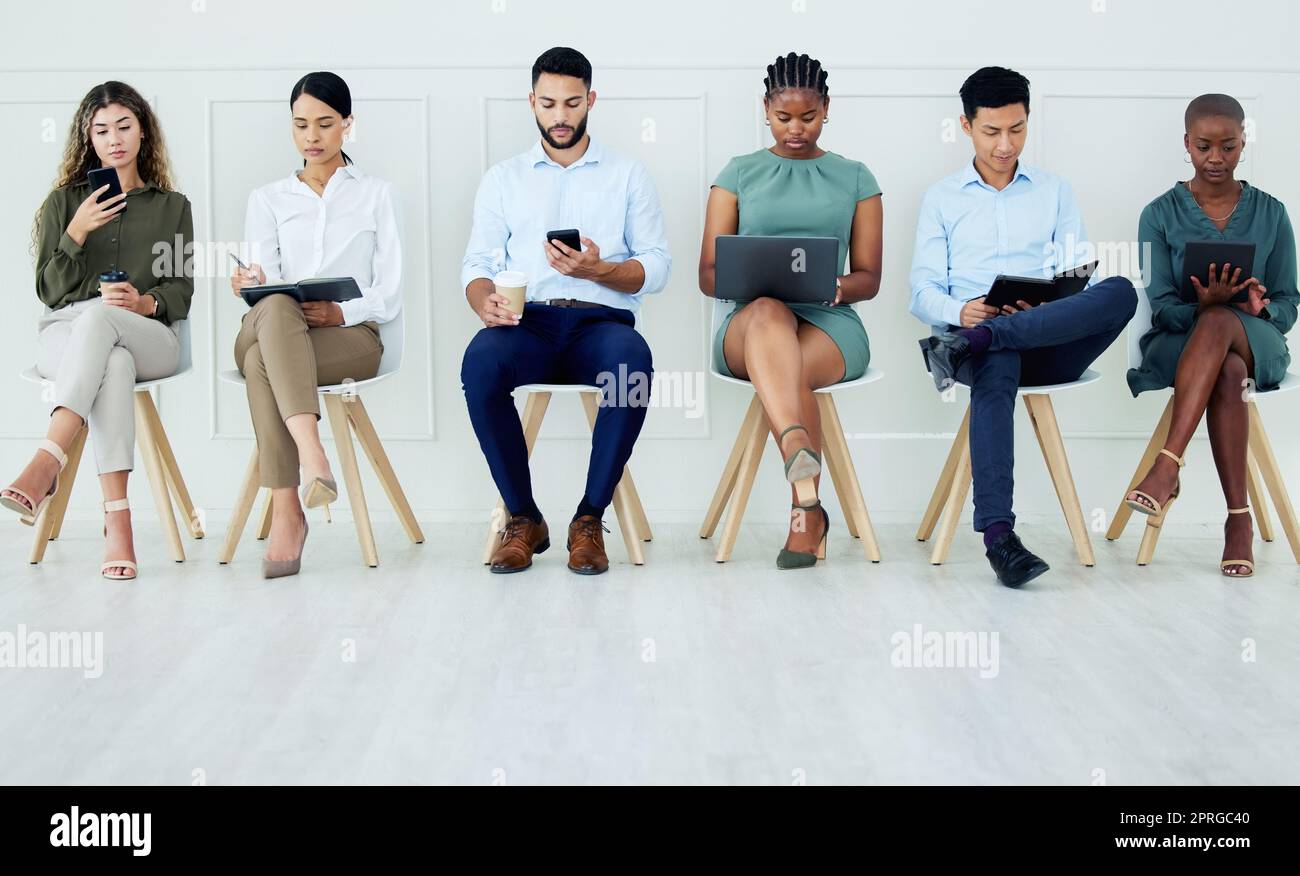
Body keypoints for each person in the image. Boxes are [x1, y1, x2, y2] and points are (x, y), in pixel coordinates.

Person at [910, 66, 1137, 588]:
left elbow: (1080, 273)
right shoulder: (942, 199)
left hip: (1047, 340)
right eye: (992, 131)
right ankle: (999, 540)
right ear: (965, 127)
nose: (1005, 144)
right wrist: (962, 313)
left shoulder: (1055, 191)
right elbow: (919, 292)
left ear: (1028, 120)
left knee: (1122, 289)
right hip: (981, 345)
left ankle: (978, 340)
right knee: (998, 361)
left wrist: (1043, 307)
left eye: (1017, 129)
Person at [461, 46, 670, 576]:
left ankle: (588, 518)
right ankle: (525, 518)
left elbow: (657, 267)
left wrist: (599, 271)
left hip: (601, 326)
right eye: (549, 103)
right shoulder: (503, 178)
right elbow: (477, 264)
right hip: (525, 323)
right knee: (480, 363)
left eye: (572, 103)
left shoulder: (627, 174)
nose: (560, 116)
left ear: (591, 101)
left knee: (632, 366)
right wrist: (482, 299)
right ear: (531, 101)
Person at [1, 81, 193, 581]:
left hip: (149, 333)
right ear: (88, 138)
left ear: (144, 132)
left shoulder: (172, 207)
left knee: (105, 323)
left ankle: (48, 458)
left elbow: (182, 291)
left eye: (125, 126)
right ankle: (119, 523)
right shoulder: (64, 202)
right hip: (69, 333)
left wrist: (145, 301)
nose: (114, 139)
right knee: (112, 360)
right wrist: (76, 231)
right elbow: (48, 291)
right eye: (102, 130)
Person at [698, 52, 882, 569]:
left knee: (787, 370)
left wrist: (835, 286)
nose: (796, 129)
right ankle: (800, 461)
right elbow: (708, 274)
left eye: (809, 116)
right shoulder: (738, 173)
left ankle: (805, 501)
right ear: (765, 110)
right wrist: (761, 282)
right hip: (749, 322)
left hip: (830, 322)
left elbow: (869, 276)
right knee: (768, 316)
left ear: (827, 108)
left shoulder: (855, 177)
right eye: (783, 118)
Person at [229, 72, 402, 579]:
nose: (313, 136)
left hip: (351, 339)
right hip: (275, 327)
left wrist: (339, 312)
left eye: (326, 124)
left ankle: (288, 512)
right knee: (276, 304)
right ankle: (313, 454)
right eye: (301, 125)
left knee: (265, 362)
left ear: (348, 125)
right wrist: (249, 282)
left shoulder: (378, 195)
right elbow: (265, 288)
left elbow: (389, 292)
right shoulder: (267, 199)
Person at [1124, 94, 1296, 578]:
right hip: (1181, 342)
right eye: (1203, 146)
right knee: (1228, 368)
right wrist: (1201, 306)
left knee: (1224, 324)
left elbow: (1288, 302)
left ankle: (1166, 467)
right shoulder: (1158, 215)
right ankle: (1237, 521)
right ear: (1186, 144)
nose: (1216, 158)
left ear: (1244, 143)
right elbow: (1160, 304)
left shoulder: (1272, 212)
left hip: (1255, 337)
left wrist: (1262, 308)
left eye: (1228, 146)